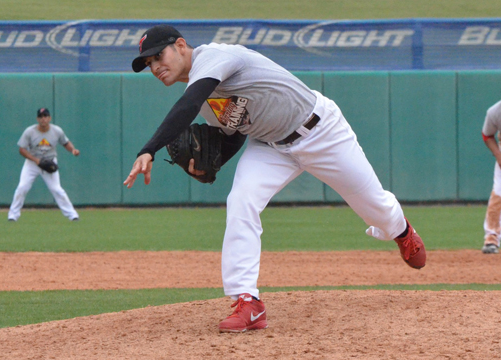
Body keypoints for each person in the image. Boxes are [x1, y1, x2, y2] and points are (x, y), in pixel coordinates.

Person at [123, 25, 426, 333]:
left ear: (181, 45)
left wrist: (149, 149)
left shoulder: (213, 58)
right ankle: (248, 301)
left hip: (321, 131)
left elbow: (185, 107)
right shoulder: (205, 101)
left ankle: (401, 231)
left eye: (158, 55)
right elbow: (234, 132)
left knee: (372, 205)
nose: (155, 66)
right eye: (148, 64)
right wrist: (210, 167)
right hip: (271, 146)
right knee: (241, 201)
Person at [8, 107, 80, 222]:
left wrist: (73, 150)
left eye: (45, 116)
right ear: (37, 119)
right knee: (22, 187)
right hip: (32, 163)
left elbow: (65, 143)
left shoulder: (57, 131)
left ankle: (73, 215)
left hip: (49, 162)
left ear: (49, 118)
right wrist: (36, 160)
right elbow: (22, 150)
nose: (43, 119)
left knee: (57, 189)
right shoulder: (30, 131)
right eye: (41, 117)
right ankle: (12, 216)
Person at [481, 100, 501, 254]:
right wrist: (499, 156)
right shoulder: (495, 111)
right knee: (499, 193)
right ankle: (491, 237)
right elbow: (487, 135)